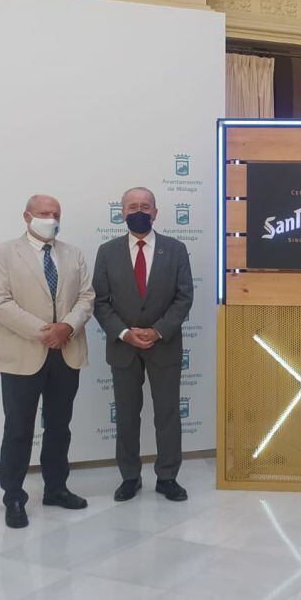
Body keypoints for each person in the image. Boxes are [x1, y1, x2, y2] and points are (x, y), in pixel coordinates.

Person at [0, 194, 95, 529]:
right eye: (44, 213)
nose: (51, 218)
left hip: (67, 351)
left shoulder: (73, 253)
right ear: (27, 216)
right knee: (18, 428)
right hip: (23, 354)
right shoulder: (4, 253)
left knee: (59, 426)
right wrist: (44, 331)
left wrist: (67, 327)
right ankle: (14, 497)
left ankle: (56, 488)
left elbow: (86, 297)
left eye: (56, 213)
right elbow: (0, 302)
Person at [93, 187, 194, 502]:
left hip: (164, 345)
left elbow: (184, 297)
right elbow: (100, 301)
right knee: (126, 415)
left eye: (145, 206)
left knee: (167, 414)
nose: (139, 211)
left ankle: (167, 477)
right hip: (123, 347)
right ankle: (130, 477)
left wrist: (158, 330)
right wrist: (125, 333)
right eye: (132, 206)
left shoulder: (175, 249)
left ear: (155, 212)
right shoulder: (107, 251)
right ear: (122, 212)